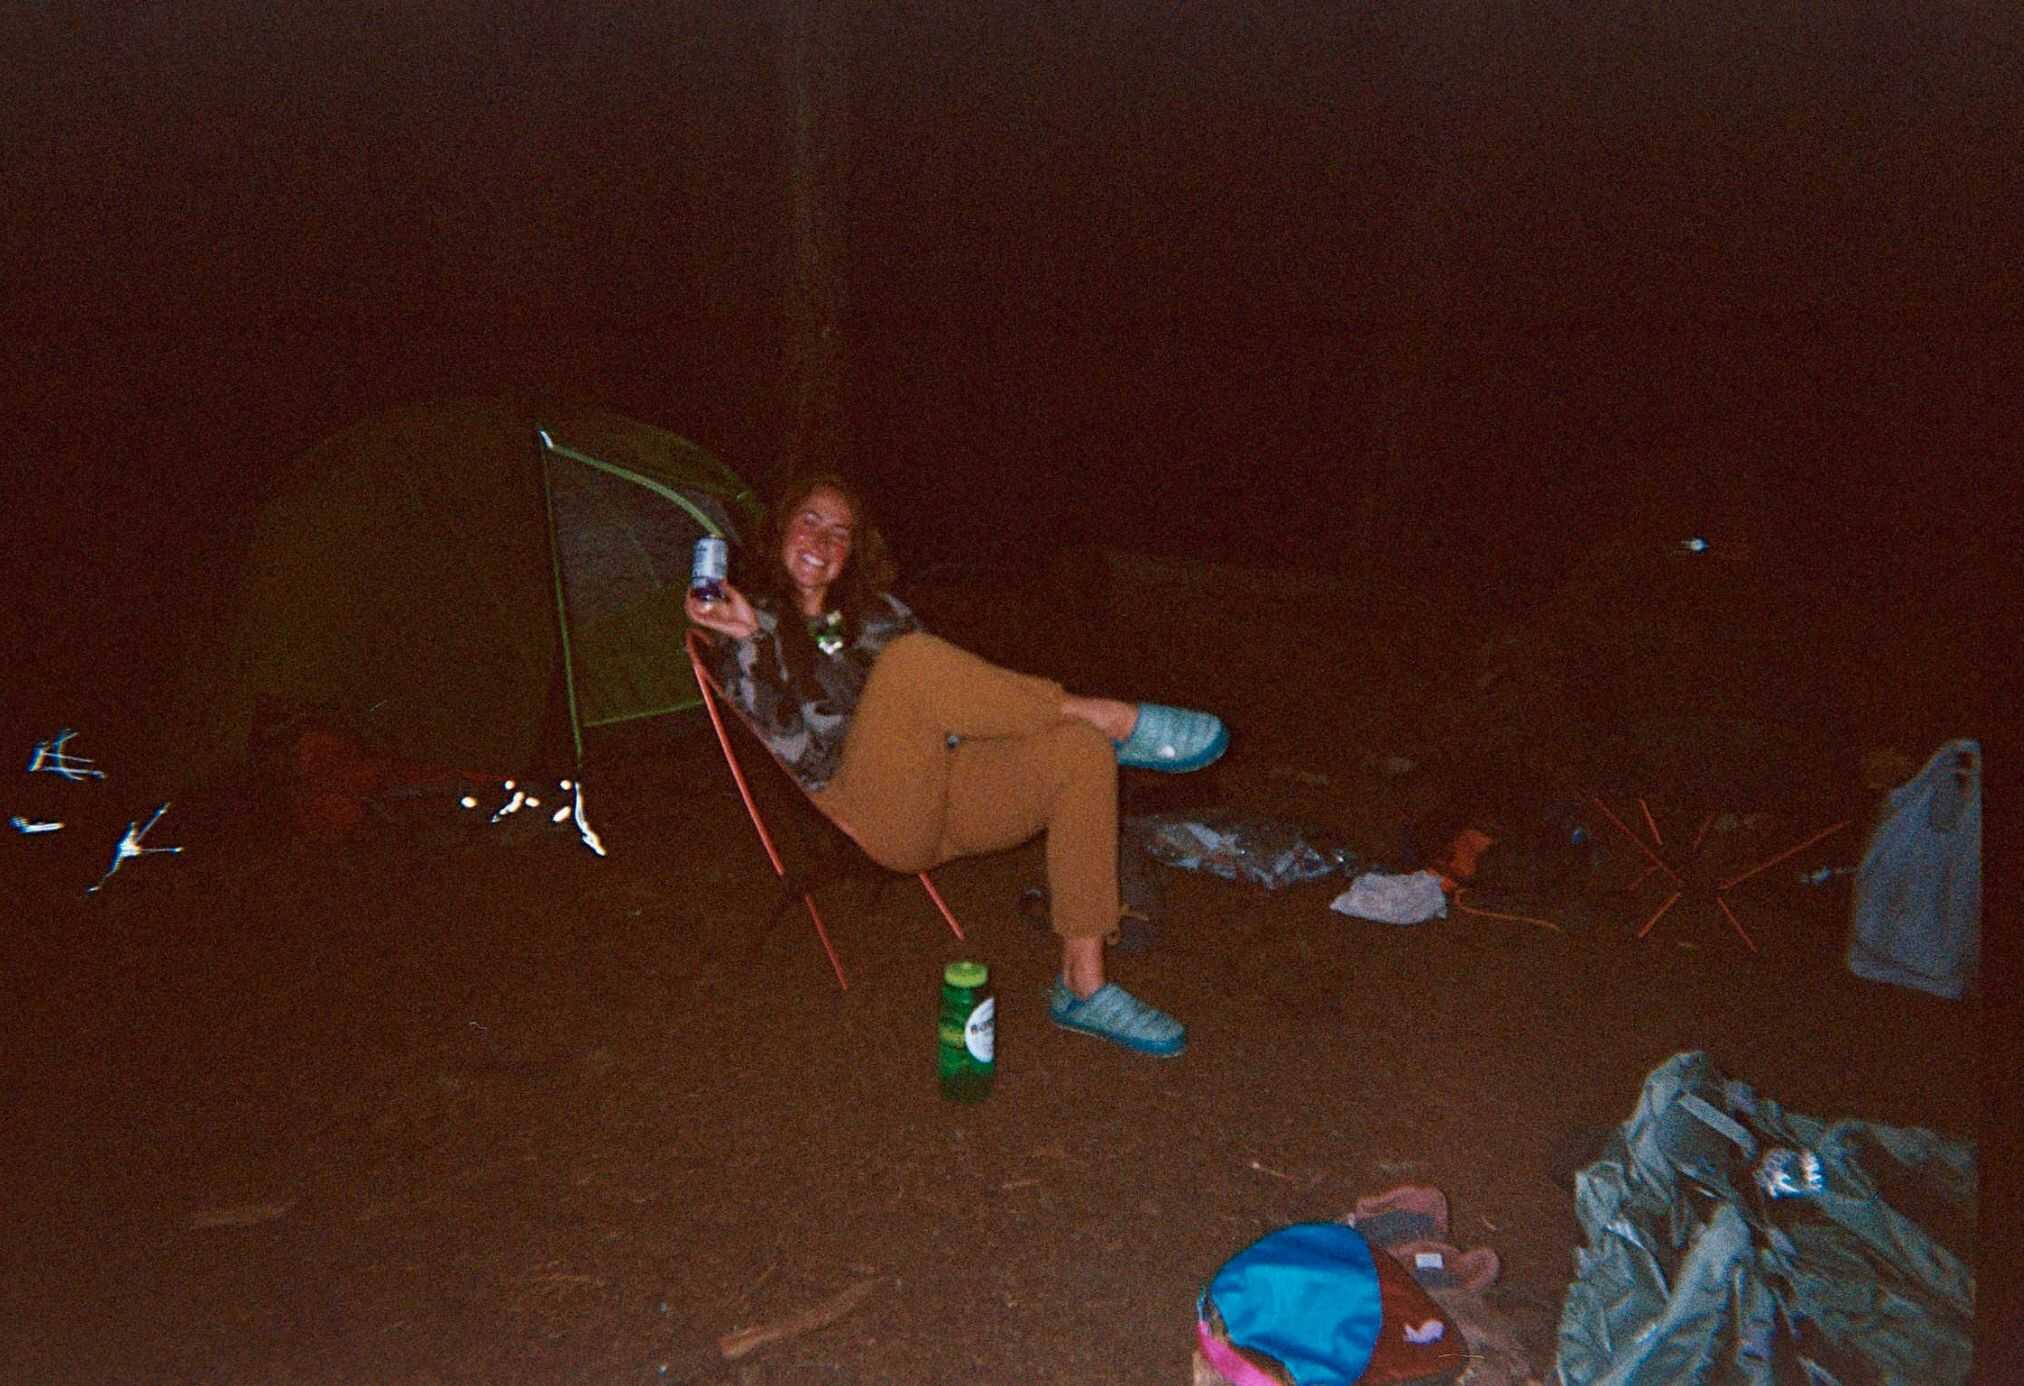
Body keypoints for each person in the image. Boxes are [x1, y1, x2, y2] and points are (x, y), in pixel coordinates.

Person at [685, 473, 1228, 1058]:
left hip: (946, 787)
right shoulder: (750, 619)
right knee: (913, 665)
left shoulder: (875, 615)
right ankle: (1114, 717)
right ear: (781, 530)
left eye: (841, 532)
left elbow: (965, 704)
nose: (823, 539)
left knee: (1080, 752)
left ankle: (1083, 984)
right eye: (810, 520)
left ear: (854, 552)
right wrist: (744, 637)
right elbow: (787, 748)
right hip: (867, 815)